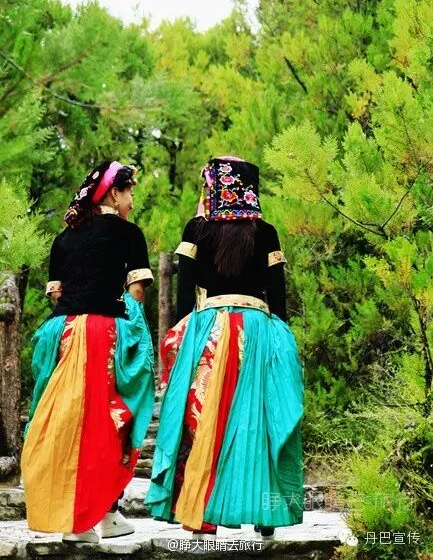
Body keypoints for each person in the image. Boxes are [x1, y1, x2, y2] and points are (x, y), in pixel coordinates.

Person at [145, 156, 304, 540]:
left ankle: (202, 517)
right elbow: (277, 291)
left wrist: (184, 328)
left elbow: (185, 288)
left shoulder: (197, 229)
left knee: (202, 419)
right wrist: (281, 333)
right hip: (257, 330)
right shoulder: (266, 232)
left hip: (209, 330)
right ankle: (265, 517)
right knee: (260, 418)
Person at [21, 160, 155, 543]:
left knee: (62, 420)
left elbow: (57, 295)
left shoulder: (64, 238)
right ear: (113, 193)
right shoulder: (129, 234)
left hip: (60, 333)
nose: (132, 201)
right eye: (129, 192)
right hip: (104, 332)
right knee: (110, 420)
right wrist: (135, 341)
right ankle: (98, 516)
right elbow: (136, 293)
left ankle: (84, 518)